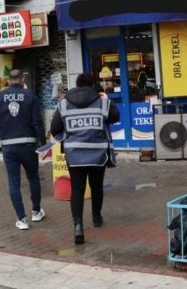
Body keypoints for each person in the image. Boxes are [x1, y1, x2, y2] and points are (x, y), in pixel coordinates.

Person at [50, 72, 120, 245]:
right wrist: (107, 99)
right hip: (98, 153)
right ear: (92, 85)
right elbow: (115, 117)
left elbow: (55, 128)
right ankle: (96, 218)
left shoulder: (64, 104)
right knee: (96, 187)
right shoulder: (102, 102)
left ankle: (78, 227)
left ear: (77, 85)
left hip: (74, 154)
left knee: (77, 190)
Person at [0, 69, 47, 230]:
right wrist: (43, 142)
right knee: (33, 178)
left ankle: (22, 219)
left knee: (14, 183)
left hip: (8, 146)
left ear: (8, 80)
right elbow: (37, 122)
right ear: (22, 79)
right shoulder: (30, 95)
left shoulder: (0, 96)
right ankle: (36, 212)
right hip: (28, 145)